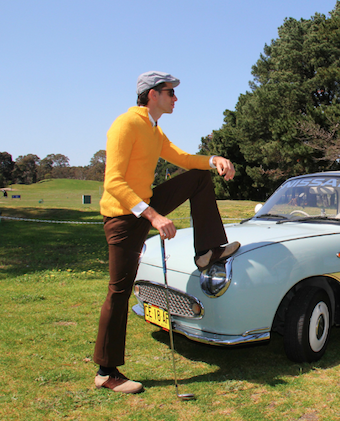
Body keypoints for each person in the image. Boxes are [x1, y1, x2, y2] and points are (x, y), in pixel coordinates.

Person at [93, 71, 240, 394]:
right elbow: (113, 183)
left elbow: (183, 158)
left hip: (144, 205)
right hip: (122, 217)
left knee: (200, 177)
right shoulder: (126, 124)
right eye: (170, 92)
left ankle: (209, 250)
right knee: (118, 292)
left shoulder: (152, 128)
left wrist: (213, 159)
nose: (176, 98)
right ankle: (106, 371)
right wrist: (153, 216)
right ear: (152, 94)